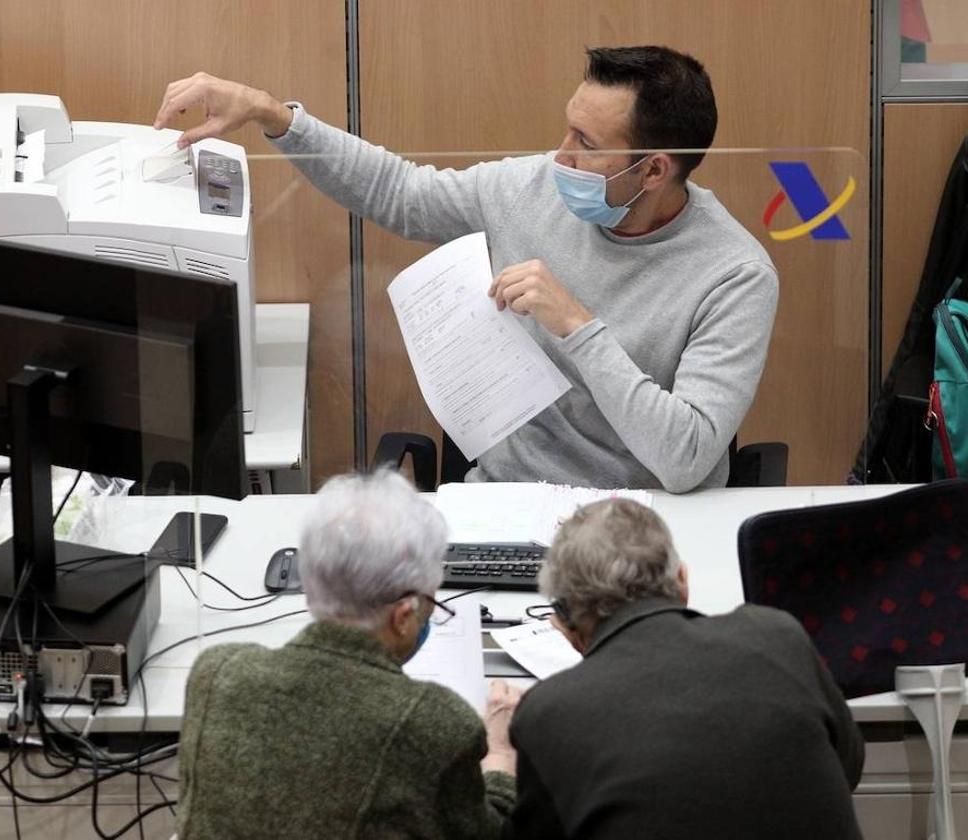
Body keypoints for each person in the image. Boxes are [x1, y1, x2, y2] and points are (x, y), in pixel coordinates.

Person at [154, 46, 778, 493]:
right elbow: (400, 192)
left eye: (587, 145)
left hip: (644, 522)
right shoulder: (535, 187)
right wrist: (274, 115)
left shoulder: (734, 274)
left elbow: (687, 457)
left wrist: (579, 327)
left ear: (654, 170)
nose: (559, 155)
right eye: (568, 129)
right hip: (506, 501)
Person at [175, 469, 522, 839]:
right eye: (431, 601)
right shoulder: (436, 723)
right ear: (403, 616)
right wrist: (500, 755)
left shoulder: (215, 672)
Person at [503, 498, 864, 839]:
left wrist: (499, 761)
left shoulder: (548, 712)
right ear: (682, 581)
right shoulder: (779, 636)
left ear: (565, 624)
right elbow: (849, 765)